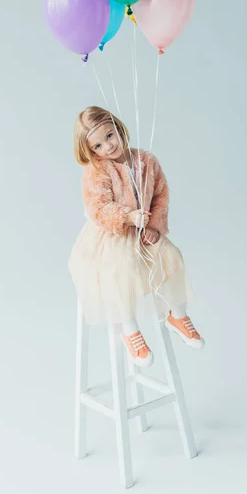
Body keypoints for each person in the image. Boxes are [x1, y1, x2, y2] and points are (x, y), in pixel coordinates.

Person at [68, 106, 205, 367]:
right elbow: (97, 207)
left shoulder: (146, 160)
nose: (108, 147)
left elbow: (161, 194)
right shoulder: (97, 172)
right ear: (91, 151)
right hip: (112, 234)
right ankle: (129, 328)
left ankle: (177, 314)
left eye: (110, 136)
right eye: (98, 146)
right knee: (123, 269)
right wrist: (127, 217)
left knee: (172, 257)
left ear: (118, 128)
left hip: (145, 230)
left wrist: (154, 226)